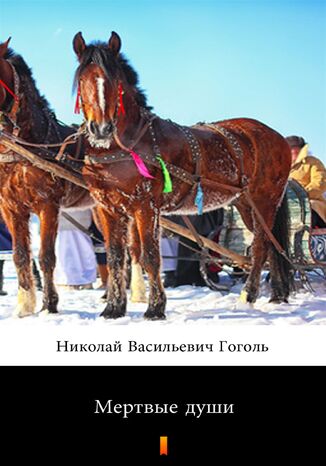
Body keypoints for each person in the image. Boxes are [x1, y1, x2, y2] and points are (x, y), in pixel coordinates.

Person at [286, 136, 326, 228]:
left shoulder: (313, 162)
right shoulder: (282, 167)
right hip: (287, 202)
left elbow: (320, 183)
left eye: (295, 150)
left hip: (311, 200)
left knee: (310, 206)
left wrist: (302, 195)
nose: (292, 153)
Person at [54, 209, 97, 289]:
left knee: (75, 248)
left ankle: (70, 280)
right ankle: (74, 281)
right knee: (76, 249)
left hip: (77, 217)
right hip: (71, 219)